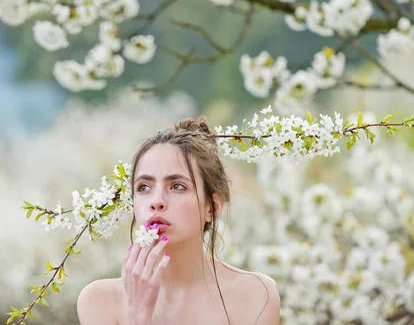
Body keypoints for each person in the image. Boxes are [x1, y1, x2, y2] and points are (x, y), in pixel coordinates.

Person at [77, 117, 281, 325]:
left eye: (178, 186)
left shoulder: (255, 295)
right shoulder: (99, 301)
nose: (156, 201)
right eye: (144, 187)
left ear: (212, 207)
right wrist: (138, 313)